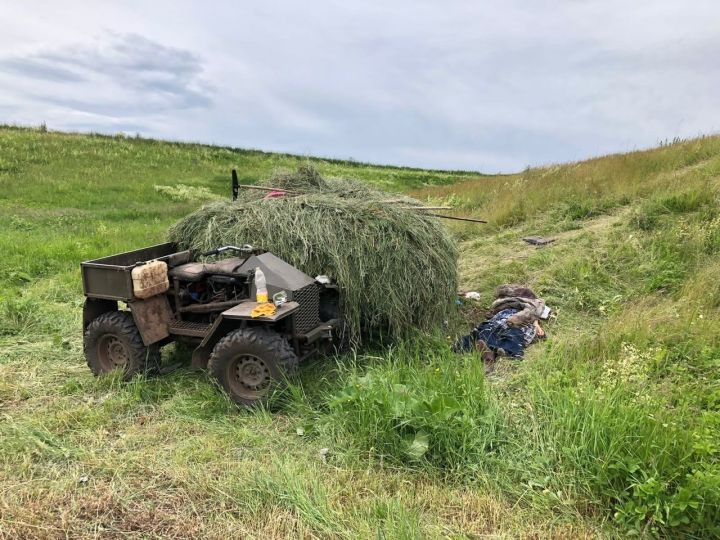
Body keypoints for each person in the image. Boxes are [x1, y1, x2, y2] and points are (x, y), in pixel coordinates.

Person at [454, 285, 548, 370]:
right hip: (503, 315)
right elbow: (495, 309)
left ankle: (489, 354)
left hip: (520, 319)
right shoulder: (505, 301)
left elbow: (534, 314)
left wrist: (537, 325)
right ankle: (491, 353)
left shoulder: (534, 304)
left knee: (512, 334)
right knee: (489, 329)